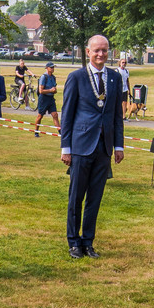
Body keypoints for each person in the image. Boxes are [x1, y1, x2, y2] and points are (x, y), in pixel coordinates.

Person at [60, 35, 125, 259]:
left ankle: (88, 242)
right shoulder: (76, 77)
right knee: (76, 197)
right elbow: (67, 115)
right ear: (87, 52)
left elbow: (117, 115)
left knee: (95, 198)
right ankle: (74, 242)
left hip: (104, 147)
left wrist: (118, 145)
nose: (101, 54)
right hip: (80, 146)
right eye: (96, 50)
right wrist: (66, 148)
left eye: (104, 50)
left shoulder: (115, 78)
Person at [34, 62, 59, 137]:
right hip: (43, 99)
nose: (53, 69)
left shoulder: (53, 77)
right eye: (51, 67)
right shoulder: (44, 77)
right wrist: (50, 90)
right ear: (47, 68)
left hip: (51, 98)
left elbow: (54, 89)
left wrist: (54, 90)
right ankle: (36, 131)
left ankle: (60, 132)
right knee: (40, 116)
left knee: (55, 115)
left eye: (53, 67)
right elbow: (41, 91)